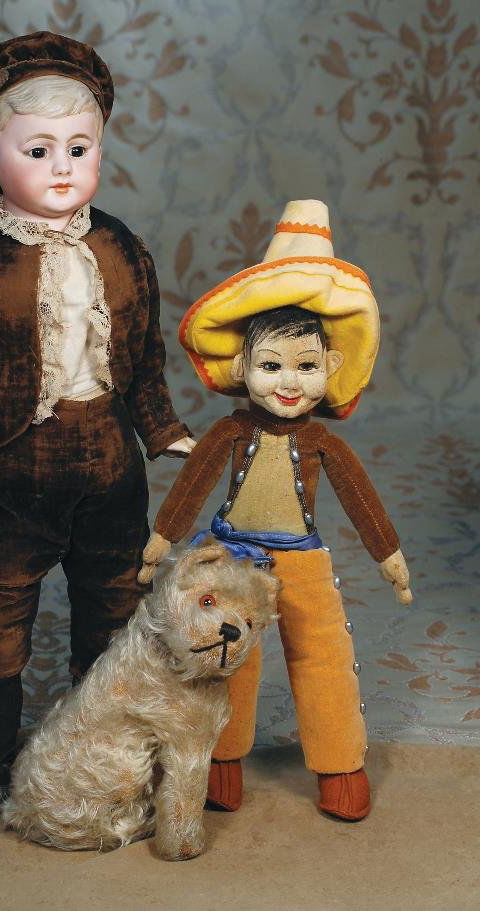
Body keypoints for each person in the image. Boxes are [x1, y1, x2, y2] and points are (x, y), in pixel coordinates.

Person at [0, 31, 193, 813]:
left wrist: (160, 428)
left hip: (108, 457)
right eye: (37, 151)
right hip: (7, 471)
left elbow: (141, 356)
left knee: (112, 606)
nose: (63, 167)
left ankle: (95, 742)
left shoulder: (120, 247)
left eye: (80, 147)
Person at [139, 199, 412, 821]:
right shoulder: (229, 433)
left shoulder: (323, 443)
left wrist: (389, 556)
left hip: (304, 561)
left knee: (324, 658)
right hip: (234, 559)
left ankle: (341, 768)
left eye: (306, 366)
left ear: (330, 368)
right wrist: (161, 543)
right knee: (227, 658)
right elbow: (191, 489)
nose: (289, 382)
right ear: (243, 368)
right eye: (271, 365)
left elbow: (362, 501)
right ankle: (219, 764)